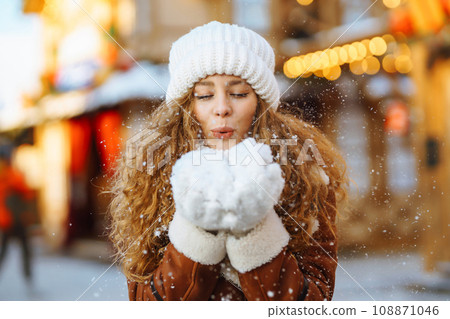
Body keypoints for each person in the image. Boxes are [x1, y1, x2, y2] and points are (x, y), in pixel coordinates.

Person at [108, 21, 348, 301]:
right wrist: (199, 230)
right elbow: (145, 302)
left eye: (238, 93)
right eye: (205, 95)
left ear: (260, 102)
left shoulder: (306, 175)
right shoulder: (151, 174)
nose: (222, 108)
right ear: (187, 105)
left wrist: (254, 230)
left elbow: (314, 303)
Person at [0, 147, 34, 282]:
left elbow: (27, 195)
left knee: (25, 250)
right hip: (6, 221)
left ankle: (28, 278)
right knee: (4, 251)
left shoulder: (14, 175)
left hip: (18, 219)